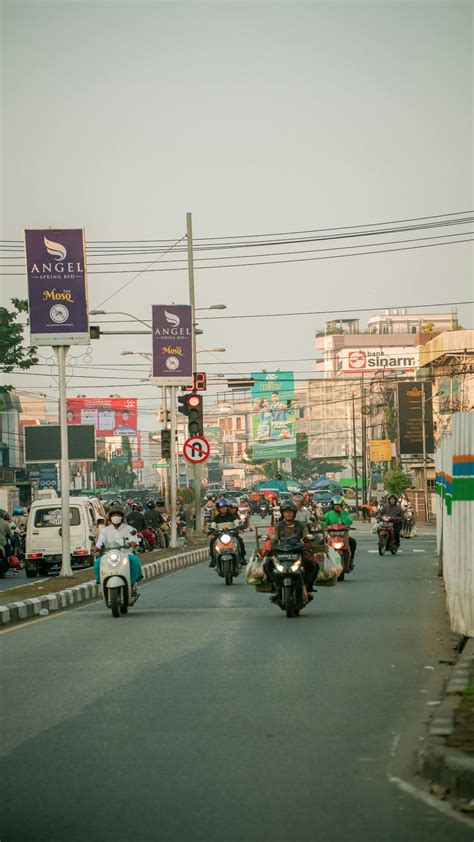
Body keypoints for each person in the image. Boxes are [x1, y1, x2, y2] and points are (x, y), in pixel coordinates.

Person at [264, 500, 317, 602]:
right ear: (283, 513)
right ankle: (275, 587)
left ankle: (306, 587)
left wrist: (307, 538)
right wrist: (271, 544)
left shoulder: (300, 525)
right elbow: (274, 537)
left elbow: (306, 534)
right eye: (286, 512)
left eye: (290, 512)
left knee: (313, 565)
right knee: (267, 565)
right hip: (281, 553)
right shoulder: (279, 526)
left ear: (294, 513)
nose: (288, 514)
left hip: (297, 552)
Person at [93, 504, 142, 587]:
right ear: (110, 517)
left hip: (125, 554)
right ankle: (101, 582)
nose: (116, 517)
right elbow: (100, 541)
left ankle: (132, 582)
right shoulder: (105, 530)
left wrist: (132, 543)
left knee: (134, 560)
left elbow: (133, 538)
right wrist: (96, 547)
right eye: (114, 515)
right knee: (98, 562)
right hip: (109, 555)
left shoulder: (130, 529)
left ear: (122, 517)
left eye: (118, 515)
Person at [323, 495, 357, 567]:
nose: (337, 507)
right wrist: (323, 526)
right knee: (320, 544)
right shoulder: (328, 514)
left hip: (343, 536)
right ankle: (323, 564)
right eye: (335, 505)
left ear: (342, 505)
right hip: (331, 536)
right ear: (332, 505)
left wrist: (342, 512)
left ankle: (351, 560)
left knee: (353, 543)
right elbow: (323, 523)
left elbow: (348, 522)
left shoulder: (345, 513)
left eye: (339, 505)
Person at [209, 498, 242, 567]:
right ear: (219, 508)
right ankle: (213, 560)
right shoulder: (216, 518)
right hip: (220, 535)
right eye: (222, 507)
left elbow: (237, 523)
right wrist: (212, 529)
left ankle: (242, 558)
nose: (224, 509)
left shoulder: (232, 516)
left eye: (225, 507)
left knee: (239, 540)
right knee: (212, 541)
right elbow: (213, 525)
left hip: (232, 534)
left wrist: (238, 526)